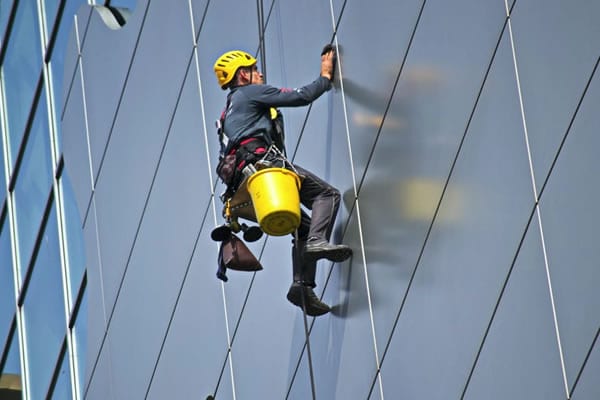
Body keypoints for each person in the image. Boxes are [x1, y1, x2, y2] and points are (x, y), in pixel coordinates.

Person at [213, 47, 352, 316]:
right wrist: (325, 77)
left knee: (304, 225)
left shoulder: (227, 112)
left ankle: (301, 286)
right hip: (264, 168)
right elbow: (301, 97)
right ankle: (317, 242)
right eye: (254, 69)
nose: (260, 73)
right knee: (327, 196)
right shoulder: (249, 93)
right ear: (243, 75)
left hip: (244, 187)